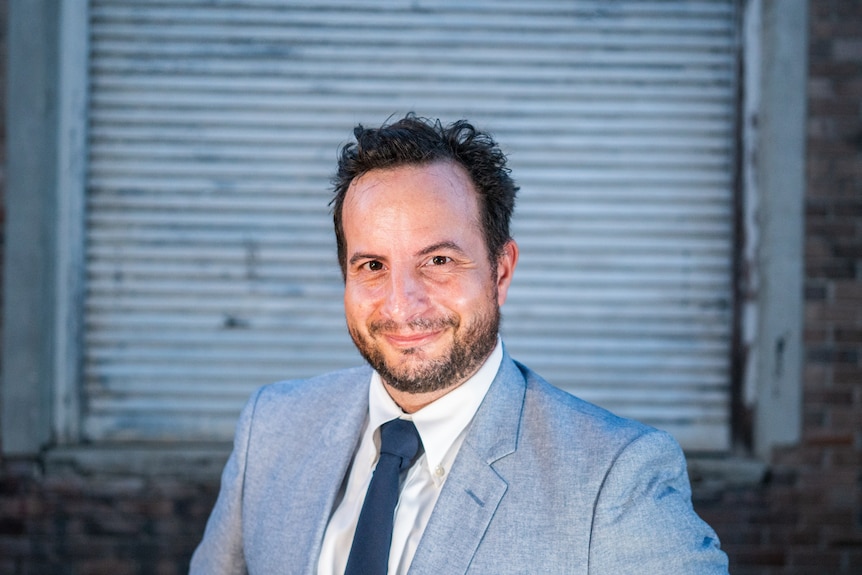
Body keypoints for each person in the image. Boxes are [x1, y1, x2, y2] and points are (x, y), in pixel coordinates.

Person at [190, 114, 729, 574]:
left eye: (439, 261)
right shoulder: (272, 430)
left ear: (500, 271)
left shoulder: (616, 481)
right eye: (372, 266)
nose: (402, 305)